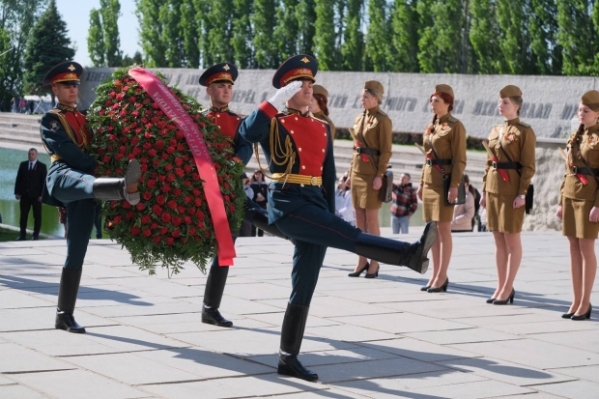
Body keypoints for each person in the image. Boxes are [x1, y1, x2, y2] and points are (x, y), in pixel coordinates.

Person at [239, 53, 437, 382]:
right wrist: (274, 101)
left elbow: (327, 175)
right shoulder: (274, 122)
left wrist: (328, 213)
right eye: (301, 84)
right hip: (289, 204)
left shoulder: (321, 128)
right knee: (350, 236)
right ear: (287, 90)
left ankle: (287, 358)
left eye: (310, 83)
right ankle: (409, 256)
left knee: (303, 286)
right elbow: (246, 132)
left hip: (315, 204)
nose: (308, 88)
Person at [41, 61, 143, 334]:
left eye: (75, 85)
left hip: (90, 186)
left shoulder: (86, 117)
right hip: (63, 175)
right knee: (84, 180)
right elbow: (68, 152)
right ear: (55, 88)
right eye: (67, 85)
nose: (73, 89)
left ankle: (64, 315)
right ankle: (121, 188)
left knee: (77, 250)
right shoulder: (51, 119)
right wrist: (99, 168)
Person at [198, 62, 286, 328]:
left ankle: (210, 308)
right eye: (220, 86)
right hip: (205, 192)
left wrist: (233, 163)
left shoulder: (239, 121)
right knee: (224, 244)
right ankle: (209, 308)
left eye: (228, 86)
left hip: (231, 190)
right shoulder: (197, 121)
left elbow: (246, 147)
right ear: (209, 90)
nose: (226, 90)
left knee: (228, 246)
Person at [480, 86, 536, 305]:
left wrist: (522, 193)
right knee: (499, 241)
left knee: (511, 239)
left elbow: (528, 166)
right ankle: (501, 285)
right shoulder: (495, 130)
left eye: (505, 103)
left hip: (512, 189)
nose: (500, 106)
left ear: (516, 106)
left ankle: (508, 286)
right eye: (500, 102)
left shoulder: (524, 131)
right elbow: (488, 163)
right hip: (494, 189)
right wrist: (484, 190)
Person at [417, 84, 467, 293]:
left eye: (437, 100)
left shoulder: (455, 126)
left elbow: (460, 160)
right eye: (431, 100)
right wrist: (421, 183)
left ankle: (442, 274)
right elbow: (427, 156)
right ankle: (436, 273)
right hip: (430, 182)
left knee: (444, 229)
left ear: (448, 103)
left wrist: (454, 185)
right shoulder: (432, 125)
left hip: (445, 182)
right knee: (433, 230)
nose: (432, 103)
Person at [556, 90, 599, 320]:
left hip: (590, 197)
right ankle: (575, 300)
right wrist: (561, 200)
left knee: (586, 249)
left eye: (586, 110)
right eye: (580, 109)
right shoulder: (575, 135)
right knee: (573, 248)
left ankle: (585, 302)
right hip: (572, 195)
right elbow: (568, 170)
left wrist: (598, 205)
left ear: (597, 113)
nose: (581, 113)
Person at [348, 80, 392, 278]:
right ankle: (361, 259)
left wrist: (379, 175)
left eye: (365, 97)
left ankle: (375, 261)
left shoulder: (383, 120)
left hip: (372, 173)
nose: (362, 99)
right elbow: (355, 147)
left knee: (372, 220)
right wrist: (350, 173)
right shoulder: (359, 118)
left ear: (376, 98)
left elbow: (386, 151)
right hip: (358, 172)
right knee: (359, 218)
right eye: (362, 96)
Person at [14, 148, 47, 240]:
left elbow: (44, 182)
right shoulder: (23, 165)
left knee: (37, 216)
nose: (30, 156)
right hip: (24, 195)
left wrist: (42, 195)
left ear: (36, 155)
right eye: (29, 154)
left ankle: (35, 235)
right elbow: (18, 179)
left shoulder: (42, 166)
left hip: (36, 196)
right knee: (23, 216)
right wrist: (17, 192)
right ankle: (22, 235)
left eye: (32, 154)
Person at [250, 170, 268, 236]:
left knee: (262, 223)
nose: (257, 176)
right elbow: (250, 196)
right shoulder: (252, 185)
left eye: (259, 174)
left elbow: (268, 197)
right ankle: (252, 237)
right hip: (255, 205)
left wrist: (264, 198)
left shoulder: (265, 185)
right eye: (256, 174)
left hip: (263, 206)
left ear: (262, 175)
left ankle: (261, 237)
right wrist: (255, 199)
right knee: (254, 224)